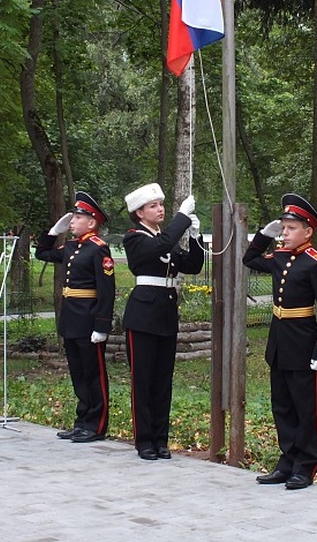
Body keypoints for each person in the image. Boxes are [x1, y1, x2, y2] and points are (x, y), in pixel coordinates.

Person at [242, 193, 317, 490]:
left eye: (290, 228)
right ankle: (287, 460)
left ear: (308, 232)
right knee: (281, 405)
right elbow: (249, 259)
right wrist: (262, 235)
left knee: (304, 407)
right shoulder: (279, 257)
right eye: (282, 228)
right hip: (280, 343)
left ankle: (306, 465)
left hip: (303, 342)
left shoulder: (315, 263)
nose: (284, 233)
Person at [122, 183, 203, 460]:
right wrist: (181, 217)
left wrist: (194, 235)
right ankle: (144, 440)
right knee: (143, 380)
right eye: (153, 206)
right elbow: (160, 246)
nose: (160, 209)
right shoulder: (135, 237)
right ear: (139, 213)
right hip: (143, 315)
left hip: (165, 314)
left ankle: (160, 439)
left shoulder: (163, 236)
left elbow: (192, 265)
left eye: (161, 205)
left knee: (162, 381)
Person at [35, 192, 115, 443]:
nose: (72, 221)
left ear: (91, 223)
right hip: (71, 319)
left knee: (94, 374)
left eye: (77, 217)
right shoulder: (70, 246)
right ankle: (82, 422)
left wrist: (102, 325)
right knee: (79, 374)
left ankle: (96, 425)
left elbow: (106, 291)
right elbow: (42, 253)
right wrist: (52, 231)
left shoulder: (99, 249)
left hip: (89, 320)